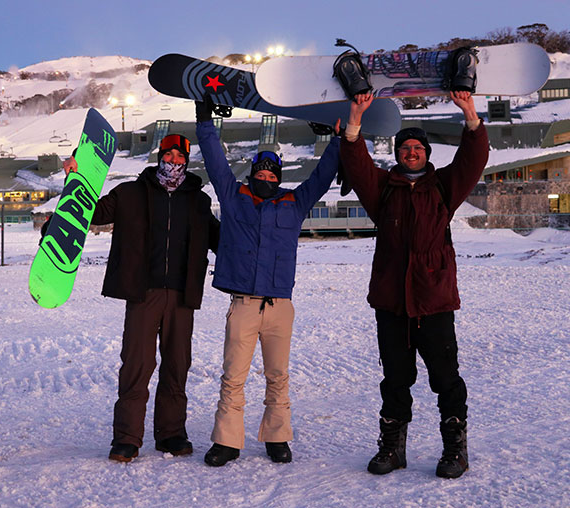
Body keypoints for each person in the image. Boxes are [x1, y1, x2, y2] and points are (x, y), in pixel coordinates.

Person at [339, 91, 488, 479]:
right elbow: (356, 166)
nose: (410, 152)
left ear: (426, 153)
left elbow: (473, 160)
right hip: (391, 304)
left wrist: (469, 113)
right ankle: (393, 448)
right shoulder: (383, 190)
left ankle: (455, 449)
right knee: (395, 380)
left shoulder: (443, 188)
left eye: (417, 147)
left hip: (434, 301)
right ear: (397, 154)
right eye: (404, 147)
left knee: (446, 379)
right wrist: (355, 118)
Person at [194, 96, 340, 467]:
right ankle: (227, 442)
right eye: (260, 174)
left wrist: (339, 139)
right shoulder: (233, 197)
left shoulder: (293, 203)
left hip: (279, 308)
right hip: (243, 304)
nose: (265, 179)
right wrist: (205, 122)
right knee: (234, 377)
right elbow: (214, 161)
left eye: (271, 176)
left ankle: (277, 437)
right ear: (252, 175)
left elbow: (322, 176)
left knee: (278, 376)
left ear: (279, 179)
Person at [61, 134, 220, 462]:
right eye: (168, 154)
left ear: (186, 160)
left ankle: (171, 434)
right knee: (137, 365)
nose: (173, 161)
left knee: (177, 366)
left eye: (179, 156)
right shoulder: (131, 192)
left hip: (181, 297)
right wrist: (75, 178)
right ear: (159, 156)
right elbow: (93, 212)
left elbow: (222, 240)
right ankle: (127, 438)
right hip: (142, 293)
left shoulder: (198, 201)